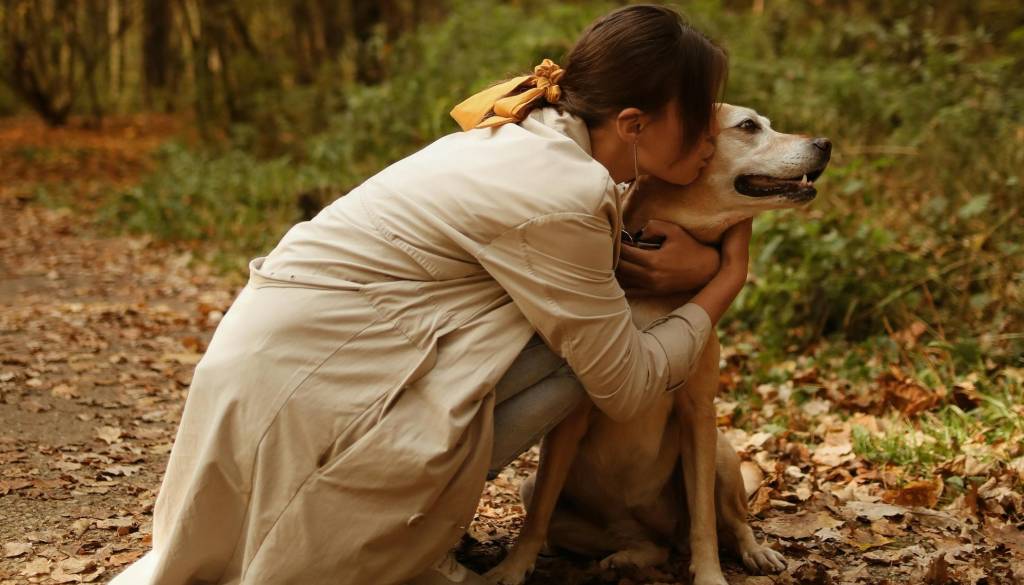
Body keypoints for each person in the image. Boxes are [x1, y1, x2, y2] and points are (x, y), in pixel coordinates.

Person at [111, 5, 748, 585]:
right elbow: (627, 381)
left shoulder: (531, 138)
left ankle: (413, 519)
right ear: (633, 124)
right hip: (314, 395)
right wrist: (724, 278)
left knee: (580, 336)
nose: (711, 140)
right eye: (701, 119)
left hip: (280, 370)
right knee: (589, 356)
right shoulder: (565, 191)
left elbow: (589, 287)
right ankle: (390, 525)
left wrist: (681, 265)